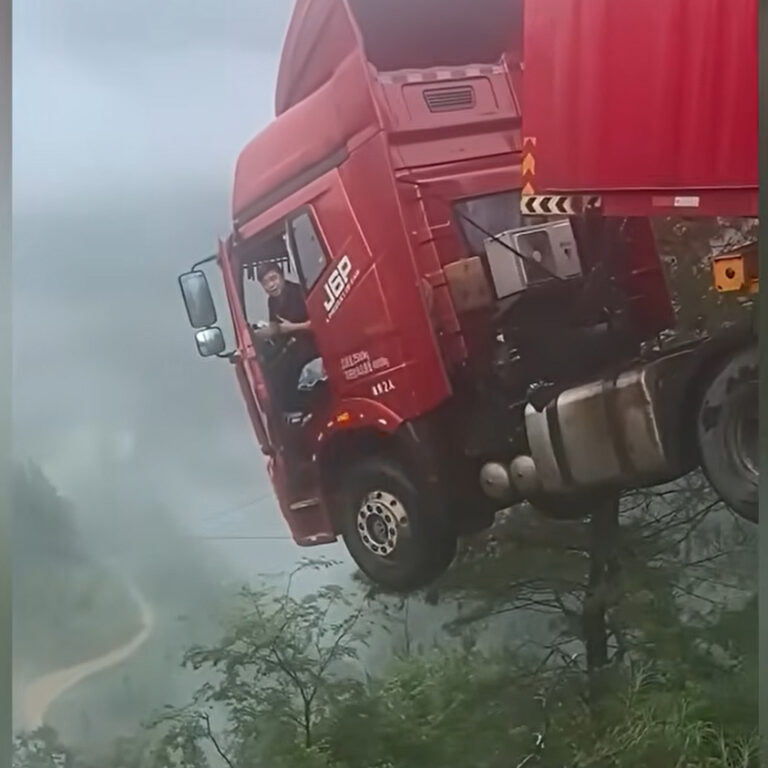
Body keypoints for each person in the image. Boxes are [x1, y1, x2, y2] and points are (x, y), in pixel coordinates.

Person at [253, 262, 320, 412]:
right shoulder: (272, 301)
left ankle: (305, 409)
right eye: (265, 283)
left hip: (311, 343)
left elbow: (318, 323)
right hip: (291, 345)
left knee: (285, 369)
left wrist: (291, 328)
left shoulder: (299, 292)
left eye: (273, 279)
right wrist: (267, 330)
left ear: (282, 276)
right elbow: (277, 327)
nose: (271, 285)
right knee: (270, 367)